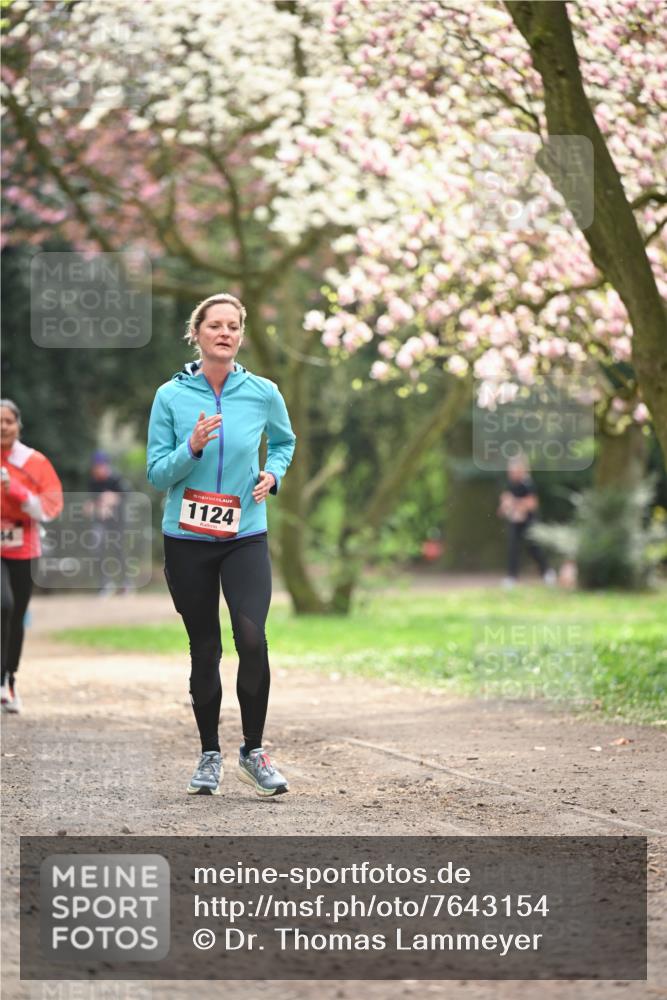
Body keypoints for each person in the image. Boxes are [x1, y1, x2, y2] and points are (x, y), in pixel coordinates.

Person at [147, 292, 296, 797]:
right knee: (205, 647)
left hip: (244, 534)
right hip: (187, 538)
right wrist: (191, 447)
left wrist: (272, 475)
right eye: (215, 325)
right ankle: (209, 754)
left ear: (241, 334)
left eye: (234, 325)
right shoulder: (170, 397)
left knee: (252, 638)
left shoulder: (262, 392)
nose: (225, 333)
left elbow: (284, 442)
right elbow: (156, 471)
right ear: (197, 333)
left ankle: (253, 751)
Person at [1, 399, 63, 713]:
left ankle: (9, 679)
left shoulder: (33, 462)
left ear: (18, 425)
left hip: (22, 544)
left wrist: (18, 493)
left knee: (16, 614)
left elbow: (50, 508)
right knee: (4, 604)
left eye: (8, 421)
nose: (3, 426)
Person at [497, 454, 555, 588]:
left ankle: (547, 572)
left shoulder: (527, 484)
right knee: (513, 548)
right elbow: (506, 501)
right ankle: (512, 577)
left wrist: (514, 502)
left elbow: (532, 503)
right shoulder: (511, 484)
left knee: (534, 548)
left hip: (529, 522)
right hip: (514, 521)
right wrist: (505, 507)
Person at [84, 451, 131, 596]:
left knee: (117, 551)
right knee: (97, 548)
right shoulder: (93, 481)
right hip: (100, 521)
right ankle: (105, 584)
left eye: (100, 466)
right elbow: (92, 502)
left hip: (117, 522)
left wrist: (113, 498)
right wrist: (91, 506)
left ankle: (125, 583)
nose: (97, 469)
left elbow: (127, 494)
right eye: (95, 467)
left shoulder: (116, 478)